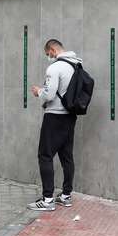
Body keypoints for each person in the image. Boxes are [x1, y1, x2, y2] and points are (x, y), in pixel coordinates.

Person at [28, 39, 82, 211]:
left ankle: (48, 199)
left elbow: (50, 95)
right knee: (66, 156)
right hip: (70, 116)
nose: (48, 57)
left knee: (45, 155)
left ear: (52, 50)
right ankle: (66, 195)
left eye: (47, 54)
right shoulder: (77, 64)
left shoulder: (55, 67)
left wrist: (38, 92)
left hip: (54, 116)